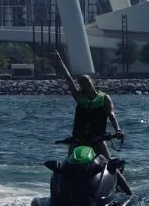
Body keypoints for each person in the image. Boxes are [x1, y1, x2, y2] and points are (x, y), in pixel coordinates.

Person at [53, 51, 133, 194]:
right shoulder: (79, 97)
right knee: (67, 166)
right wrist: (60, 61)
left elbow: (111, 115)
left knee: (110, 165)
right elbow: (68, 78)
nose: (85, 85)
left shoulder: (103, 98)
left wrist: (118, 130)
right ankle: (60, 195)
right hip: (78, 139)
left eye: (87, 81)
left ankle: (129, 193)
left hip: (97, 140)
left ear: (92, 82)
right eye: (82, 83)